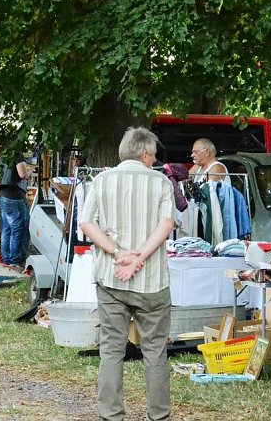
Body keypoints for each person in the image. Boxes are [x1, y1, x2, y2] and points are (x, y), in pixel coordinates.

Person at [79, 127, 174, 421]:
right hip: (152, 280)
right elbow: (166, 224)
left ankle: (111, 415)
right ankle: (158, 416)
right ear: (145, 154)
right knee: (155, 351)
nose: (155, 160)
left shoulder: (102, 180)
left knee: (111, 349)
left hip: (111, 277)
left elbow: (86, 223)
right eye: (154, 155)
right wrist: (140, 257)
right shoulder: (161, 182)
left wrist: (118, 253)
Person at [0, 149, 29, 270]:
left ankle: (5, 259)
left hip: (2, 194)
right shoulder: (17, 153)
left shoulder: (1, 154)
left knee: (6, 229)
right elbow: (22, 174)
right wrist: (28, 173)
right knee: (16, 229)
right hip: (14, 195)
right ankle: (14, 261)